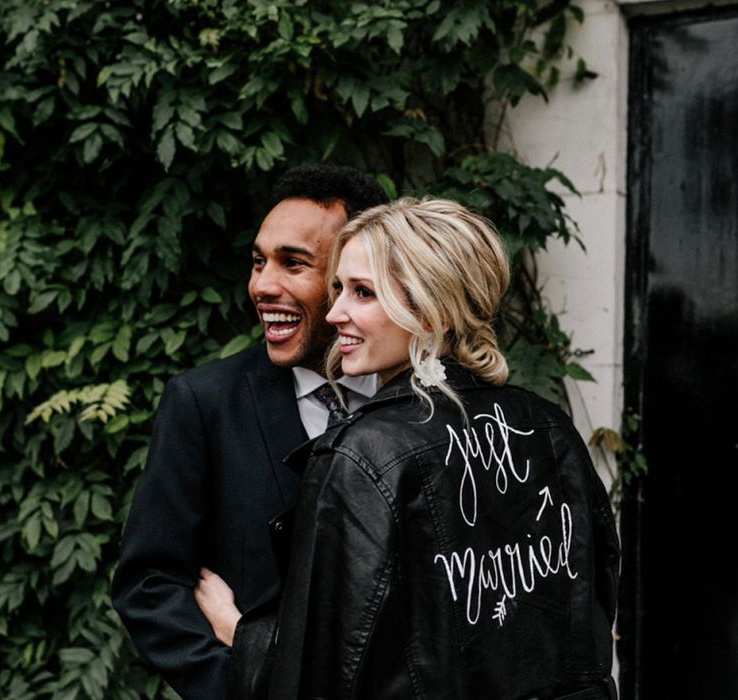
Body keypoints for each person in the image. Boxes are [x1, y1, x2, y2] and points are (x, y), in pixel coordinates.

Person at [196, 197, 621, 699]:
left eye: (362, 293)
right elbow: (594, 607)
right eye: (339, 290)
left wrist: (235, 628)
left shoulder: (362, 455)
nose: (334, 313)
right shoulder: (551, 428)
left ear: (429, 307)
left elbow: (323, 674)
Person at [111, 164, 388, 700]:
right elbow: (149, 584)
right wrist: (237, 684)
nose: (262, 285)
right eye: (259, 261)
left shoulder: (419, 403)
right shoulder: (204, 403)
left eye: (293, 263)